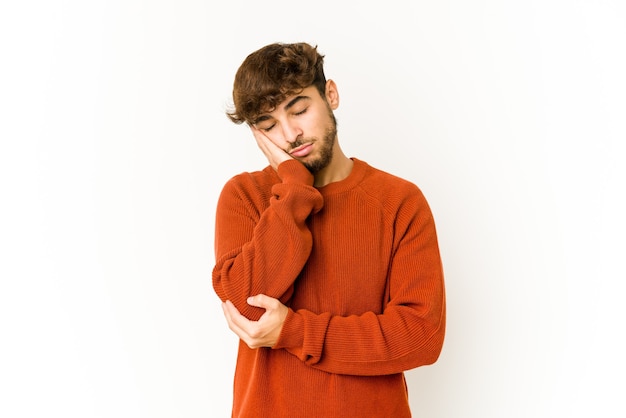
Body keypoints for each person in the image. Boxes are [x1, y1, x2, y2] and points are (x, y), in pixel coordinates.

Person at [212, 42, 446, 418]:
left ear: (330, 94)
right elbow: (247, 311)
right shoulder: (244, 196)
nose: (290, 136)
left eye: (300, 110)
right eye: (269, 126)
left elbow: (420, 337)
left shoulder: (400, 201)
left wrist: (294, 330)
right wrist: (293, 188)